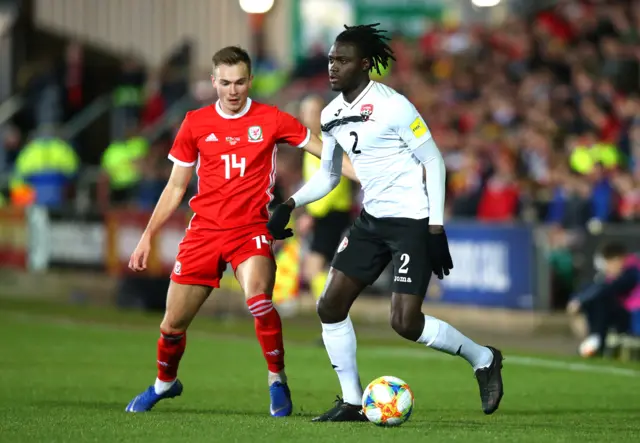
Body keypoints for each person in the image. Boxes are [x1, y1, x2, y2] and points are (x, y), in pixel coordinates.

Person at [267, 24, 505, 422]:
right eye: (330, 60)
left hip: (411, 221)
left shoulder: (394, 105)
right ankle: (352, 401)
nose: (332, 67)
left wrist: (435, 227)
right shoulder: (331, 114)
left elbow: (434, 161)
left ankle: (483, 358)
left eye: (341, 61)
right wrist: (290, 203)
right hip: (372, 219)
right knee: (330, 305)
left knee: (405, 322)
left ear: (363, 64)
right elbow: (328, 176)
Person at [124, 46, 356, 416]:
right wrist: (146, 236)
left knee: (259, 299)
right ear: (214, 81)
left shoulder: (271, 119)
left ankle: (276, 379)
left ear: (250, 80)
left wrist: (369, 177)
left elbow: (322, 151)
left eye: (241, 82)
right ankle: (165, 384)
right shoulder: (195, 123)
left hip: (250, 230)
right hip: (203, 232)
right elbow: (174, 187)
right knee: (171, 326)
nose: (233, 91)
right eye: (226, 83)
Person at [298, 95, 354, 302]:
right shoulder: (312, 142)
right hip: (325, 214)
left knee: (313, 269)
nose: (310, 117)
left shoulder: (327, 142)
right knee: (316, 269)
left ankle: (333, 311)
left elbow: (334, 183)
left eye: (315, 112)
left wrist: (312, 215)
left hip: (331, 213)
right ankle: (331, 311)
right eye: (307, 112)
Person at [567, 242, 640, 357]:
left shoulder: (632, 272)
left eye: (609, 263)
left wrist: (581, 302)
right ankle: (595, 339)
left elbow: (612, 288)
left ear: (618, 260)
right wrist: (578, 300)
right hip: (625, 315)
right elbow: (594, 287)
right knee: (595, 299)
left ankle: (596, 339)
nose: (607, 268)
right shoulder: (615, 275)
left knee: (601, 300)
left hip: (633, 315)